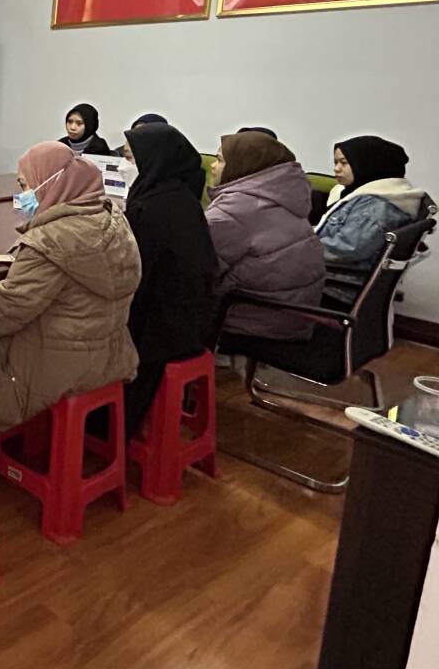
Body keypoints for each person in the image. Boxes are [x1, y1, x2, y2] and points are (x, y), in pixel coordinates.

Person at [0, 141, 140, 432]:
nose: (22, 196)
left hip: (54, 369)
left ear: (49, 183)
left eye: (25, 185)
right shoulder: (112, 220)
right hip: (110, 355)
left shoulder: (51, 242)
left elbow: (5, 313)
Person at [120, 123, 217, 437]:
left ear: (153, 161)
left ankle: (107, 427)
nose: (124, 166)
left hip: (160, 332)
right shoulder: (181, 198)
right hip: (192, 323)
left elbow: (133, 277)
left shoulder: (151, 209)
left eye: (131, 158)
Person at [206, 131, 325, 340]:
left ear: (242, 165)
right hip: (293, 316)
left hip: (250, 319)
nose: (213, 166)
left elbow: (197, 266)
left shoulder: (237, 209)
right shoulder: (285, 198)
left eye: (220, 160)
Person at [317, 136, 430, 305]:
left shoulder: (377, 208)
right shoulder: (368, 196)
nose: (336, 168)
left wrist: (294, 249)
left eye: (344, 163)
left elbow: (344, 250)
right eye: (336, 162)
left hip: (337, 287)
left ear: (368, 163)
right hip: (336, 277)